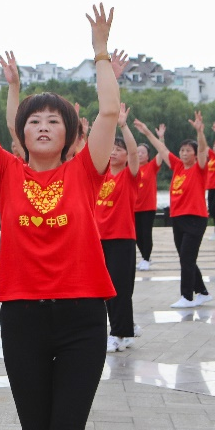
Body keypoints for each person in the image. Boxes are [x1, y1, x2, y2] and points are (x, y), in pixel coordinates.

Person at [0, 6, 118, 430]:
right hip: (23, 317)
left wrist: (99, 50)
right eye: (35, 120)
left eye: (55, 121)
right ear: (22, 133)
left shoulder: (85, 172)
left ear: (71, 133)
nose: (44, 126)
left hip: (83, 318)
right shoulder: (5, 173)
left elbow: (111, 114)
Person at [136, 111, 212, 308]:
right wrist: (147, 133)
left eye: (188, 150)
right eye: (182, 150)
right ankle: (202, 292)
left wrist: (200, 133)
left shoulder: (199, 168)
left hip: (195, 218)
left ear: (194, 154)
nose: (184, 153)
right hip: (178, 218)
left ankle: (187, 297)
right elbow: (161, 149)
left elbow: (203, 150)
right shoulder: (178, 167)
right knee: (186, 257)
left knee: (187, 257)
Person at [96, 104, 141, 352]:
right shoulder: (101, 176)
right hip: (99, 238)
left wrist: (123, 125)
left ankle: (120, 333)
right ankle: (123, 328)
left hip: (122, 238)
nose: (114, 153)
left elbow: (134, 154)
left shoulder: (128, 176)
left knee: (120, 287)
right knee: (104, 288)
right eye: (111, 149)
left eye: (118, 149)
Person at [130, 120, 165, 270]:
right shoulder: (131, 168)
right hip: (132, 207)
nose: (139, 154)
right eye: (137, 152)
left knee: (146, 233)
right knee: (136, 234)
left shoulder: (151, 167)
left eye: (142, 152)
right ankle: (146, 256)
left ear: (148, 155)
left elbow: (162, 153)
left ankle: (145, 258)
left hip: (147, 207)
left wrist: (161, 138)